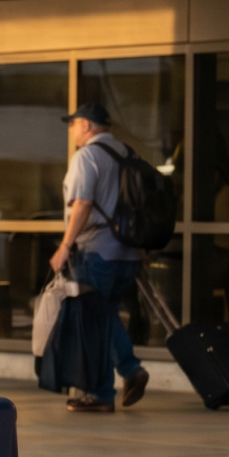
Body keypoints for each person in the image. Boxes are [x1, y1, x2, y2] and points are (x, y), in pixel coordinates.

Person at [49, 103, 149, 412]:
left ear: (87, 126)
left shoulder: (87, 156)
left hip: (97, 251)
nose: (70, 130)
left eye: (73, 123)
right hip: (128, 252)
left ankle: (102, 393)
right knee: (105, 315)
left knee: (95, 320)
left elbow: (82, 204)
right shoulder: (128, 154)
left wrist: (65, 246)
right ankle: (129, 371)